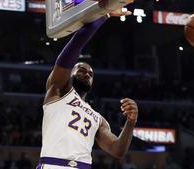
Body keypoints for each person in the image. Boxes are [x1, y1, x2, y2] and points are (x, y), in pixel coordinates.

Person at [36, 1, 138, 169]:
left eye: (90, 73)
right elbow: (77, 44)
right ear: (70, 73)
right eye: (81, 69)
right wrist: (104, 13)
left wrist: (131, 122)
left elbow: (117, 150)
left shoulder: (99, 119)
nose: (87, 73)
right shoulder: (57, 90)